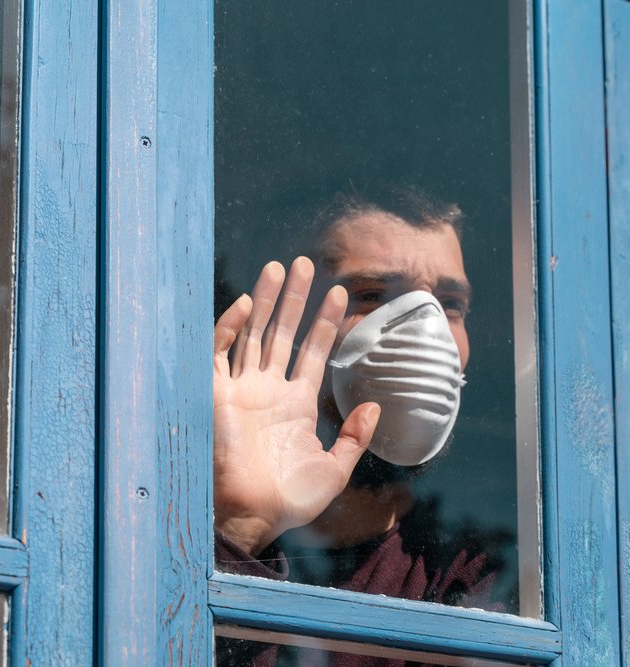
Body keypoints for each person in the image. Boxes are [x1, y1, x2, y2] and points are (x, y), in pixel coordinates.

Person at [213, 186, 503, 665]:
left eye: (450, 304)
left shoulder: (474, 574)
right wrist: (240, 533)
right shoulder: (172, 523)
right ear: (288, 317)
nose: (426, 333)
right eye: (371, 295)